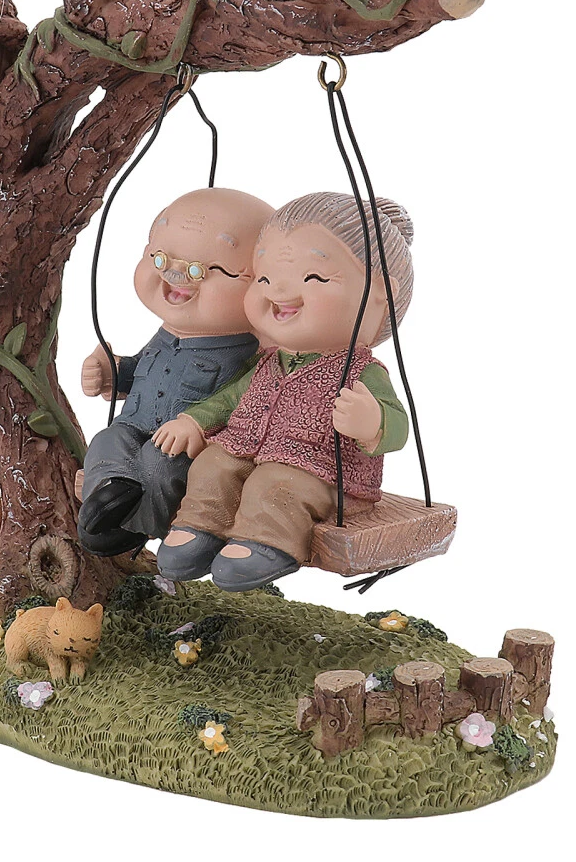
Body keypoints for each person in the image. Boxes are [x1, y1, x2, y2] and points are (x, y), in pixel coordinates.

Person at [153, 191, 413, 590]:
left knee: (274, 484)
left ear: (382, 296)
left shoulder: (362, 371)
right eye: (264, 278)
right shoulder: (268, 361)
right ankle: (199, 527)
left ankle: (266, 543)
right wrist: (193, 420)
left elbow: (399, 424)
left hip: (320, 471)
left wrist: (373, 422)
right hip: (247, 448)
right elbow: (229, 400)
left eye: (314, 278)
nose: (277, 292)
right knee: (213, 465)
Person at [77, 187, 273, 556]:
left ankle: (140, 524)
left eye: (201, 270)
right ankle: (108, 497)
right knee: (107, 441)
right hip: (135, 424)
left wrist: (197, 425)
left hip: (189, 446)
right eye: (160, 258)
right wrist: (113, 372)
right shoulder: (166, 334)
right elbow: (145, 371)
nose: (175, 274)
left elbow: (240, 402)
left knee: (160, 466)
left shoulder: (247, 353)